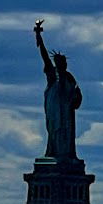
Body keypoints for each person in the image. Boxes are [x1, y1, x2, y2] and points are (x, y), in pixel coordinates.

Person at [34, 19, 82, 159]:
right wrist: (38, 36)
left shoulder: (68, 77)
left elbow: (77, 93)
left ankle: (66, 154)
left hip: (66, 111)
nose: (64, 64)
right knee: (54, 132)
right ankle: (54, 153)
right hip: (54, 109)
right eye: (62, 62)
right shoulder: (52, 73)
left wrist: (76, 98)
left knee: (66, 133)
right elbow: (44, 55)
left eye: (65, 62)